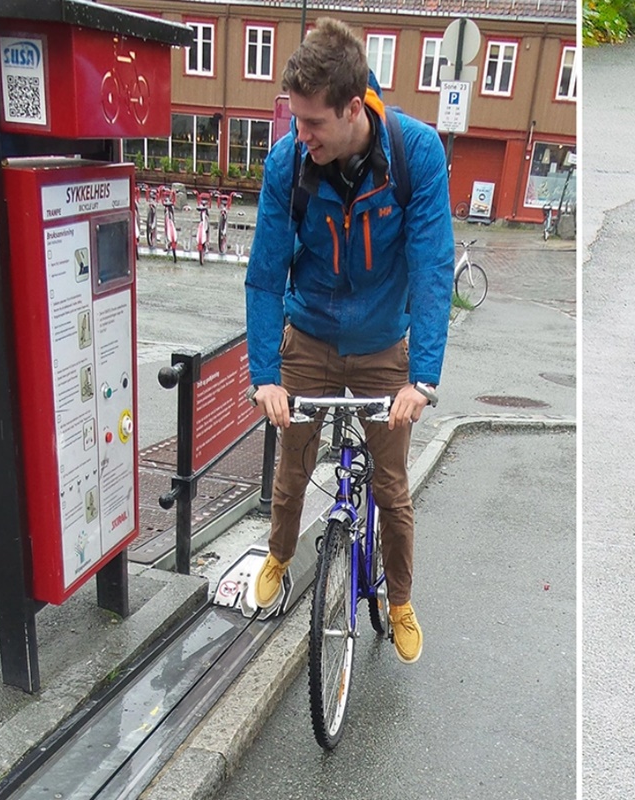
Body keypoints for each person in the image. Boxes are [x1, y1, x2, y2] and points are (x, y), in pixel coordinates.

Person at [244, 18, 454, 665]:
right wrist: (265, 376)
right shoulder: (289, 162)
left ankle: (399, 600)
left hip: (382, 346)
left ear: (353, 106)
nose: (299, 135)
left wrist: (421, 379)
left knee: (391, 486)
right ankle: (280, 557)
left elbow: (432, 265)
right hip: (307, 334)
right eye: (295, 120)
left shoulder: (415, 155)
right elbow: (263, 274)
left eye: (311, 123)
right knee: (292, 470)